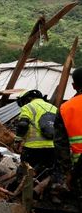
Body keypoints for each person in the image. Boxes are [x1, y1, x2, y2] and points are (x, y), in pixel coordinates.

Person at [13, 89, 57, 177]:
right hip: (52, 148)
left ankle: (24, 190)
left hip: (33, 148)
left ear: (27, 98)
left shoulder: (28, 107)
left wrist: (18, 140)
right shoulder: (53, 108)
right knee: (46, 174)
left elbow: (23, 125)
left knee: (26, 175)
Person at [53, 68, 82, 199]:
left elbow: (61, 145)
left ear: (74, 86)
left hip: (79, 169)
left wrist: (68, 173)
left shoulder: (66, 108)